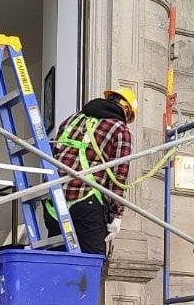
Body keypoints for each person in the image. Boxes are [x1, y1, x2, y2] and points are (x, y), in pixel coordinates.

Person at [44, 86, 137, 256]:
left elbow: (54, 154)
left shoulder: (71, 120)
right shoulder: (120, 129)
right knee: (91, 265)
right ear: (125, 109)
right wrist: (117, 216)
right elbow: (118, 177)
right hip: (85, 203)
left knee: (57, 265)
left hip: (54, 205)